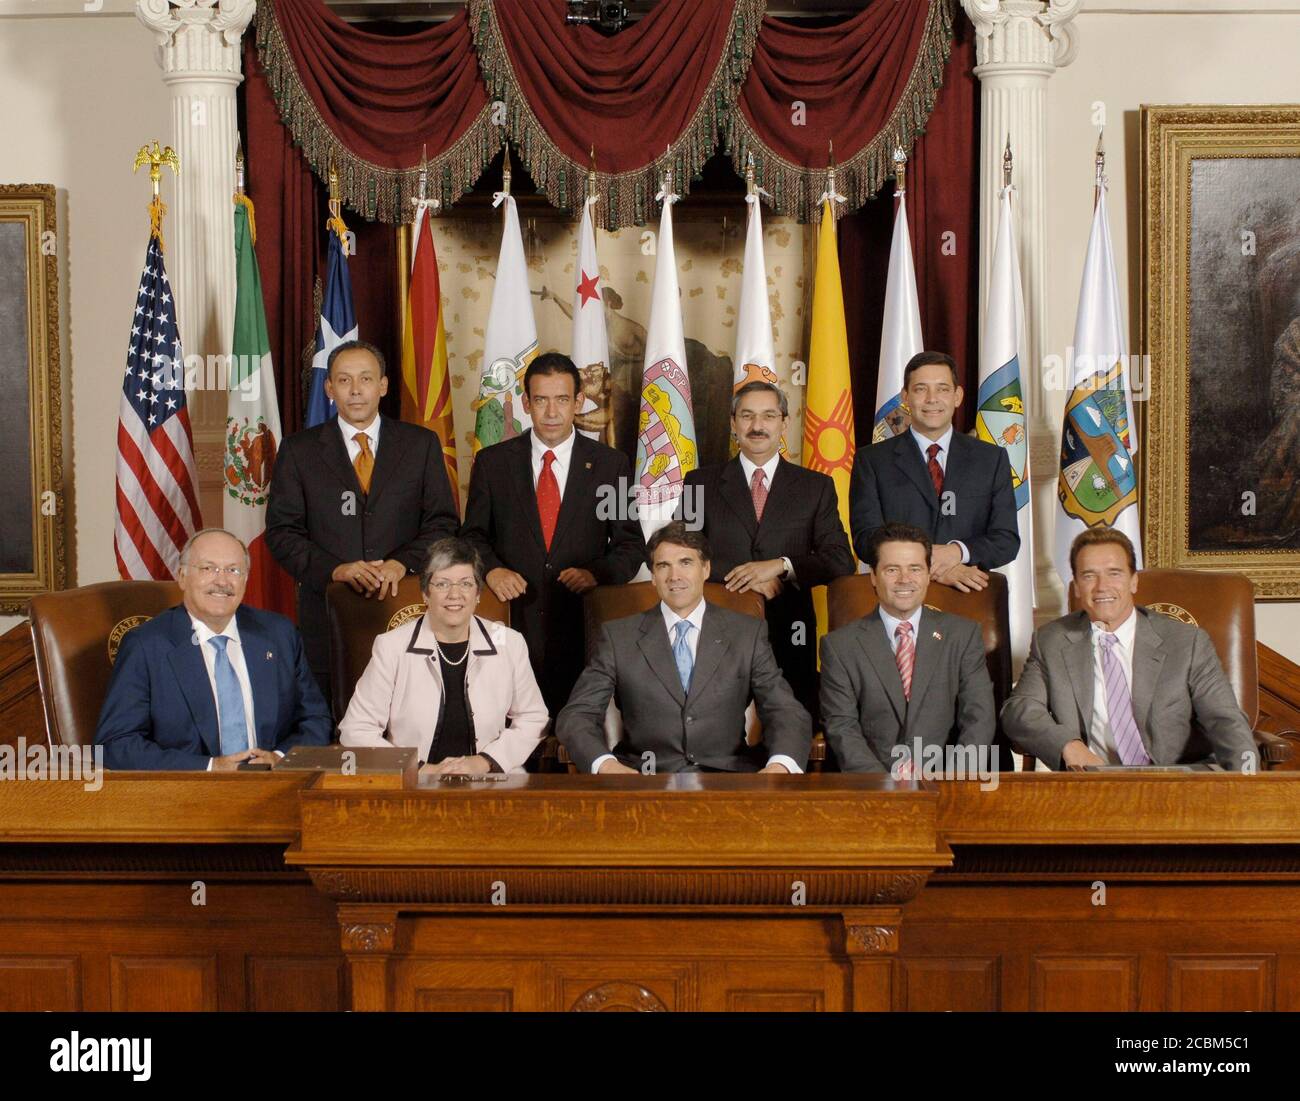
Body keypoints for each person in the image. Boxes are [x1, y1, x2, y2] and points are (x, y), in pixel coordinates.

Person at [265, 339, 459, 695]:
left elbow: (443, 524)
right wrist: (336, 570)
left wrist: (401, 564)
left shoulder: (420, 444)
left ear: (383, 385)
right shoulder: (298, 450)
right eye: (344, 380)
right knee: (330, 720)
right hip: (328, 614)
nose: (355, 391)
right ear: (329, 388)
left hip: (406, 606)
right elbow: (282, 533)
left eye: (366, 379)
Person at [460, 352, 646, 715]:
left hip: (582, 629)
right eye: (541, 400)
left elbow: (630, 545)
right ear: (526, 402)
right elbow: (471, 537)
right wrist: (493, 570)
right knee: (510, 742)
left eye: (562, 400)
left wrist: (595, 574)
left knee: (574, 741)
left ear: (578, 401)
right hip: (509, 624)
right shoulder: (493, 463)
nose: (551, 412)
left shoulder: (610, 465)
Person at [557, 521, 811, 774]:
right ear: (653, 576)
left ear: (706, 569)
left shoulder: (747, 633)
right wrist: (606, 765)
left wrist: (780, 766)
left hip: (728, 782)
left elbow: (786, 712)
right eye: (663, 566)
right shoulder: (618, 636)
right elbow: (577, 715)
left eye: (685, 563)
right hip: (644, 781)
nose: (674, 576)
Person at [1002, 528, 1259, 771]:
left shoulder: (1186, 642)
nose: (1102, 586)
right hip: (1093, 785)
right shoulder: (1052, 640)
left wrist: (1249, 787)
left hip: (1176, 784)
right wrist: (1068, 746)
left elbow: (1225, 721)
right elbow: (1019, 710)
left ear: (1133, 581)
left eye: (1114, 573)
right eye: (1089, 575)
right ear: (1077, 586)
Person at [680, 381, 854, 718]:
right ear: (733, 423)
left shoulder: (815, 487)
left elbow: (840, 560)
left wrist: (780, 565)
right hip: (717, 629)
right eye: (747, 416)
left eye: (768, 416)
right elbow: (681, 555)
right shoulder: (700, 483)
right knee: (714, 732)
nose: (757, 426)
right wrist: (745, 577)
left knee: (792, 732)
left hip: (791, 631)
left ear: (784, 423)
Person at [94, 528, 331, 770]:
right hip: (188, 796)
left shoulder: (279, 634)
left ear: (246, 579)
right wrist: (209, 767)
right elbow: (116, 744)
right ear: (182, 576)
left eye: (233, 570)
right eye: (208, 568)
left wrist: (280, 758)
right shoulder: (146, 646)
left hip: (273, 787)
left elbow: (315, 720)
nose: (222, 581)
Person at [339, 537, 547, 775]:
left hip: (491, 778)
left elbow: (533, 718)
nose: (454, 594)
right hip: (416, 784)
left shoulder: (510, 642)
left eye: (466, 583)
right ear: (425, 594)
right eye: (442, 584)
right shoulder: (391, 646)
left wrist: (486, 761)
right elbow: (356, 729)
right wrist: (419, 770)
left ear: (478, 593)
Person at [819, 522, 996, 773]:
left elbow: (978, 718)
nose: (905, 580)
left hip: (946, 786)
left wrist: (953, 784)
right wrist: (885, 790)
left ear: (927, 575)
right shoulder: (839, 646)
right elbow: (842, 729)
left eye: (915, 569)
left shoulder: (962, 636)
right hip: (872, 793)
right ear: (873, 576)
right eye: (892, 569)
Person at [849, 351, 1019, 593]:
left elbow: (1006, 540)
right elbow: (866, 540)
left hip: (967, 596)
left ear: (957, 396)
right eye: (920, 389)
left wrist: (956, 552)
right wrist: (932, 564)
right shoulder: (872, 461)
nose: (932, 399)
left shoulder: (991, 459)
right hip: (899, 596)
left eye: (942, 389)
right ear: (905, 397)